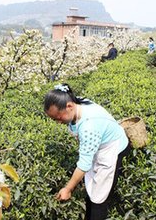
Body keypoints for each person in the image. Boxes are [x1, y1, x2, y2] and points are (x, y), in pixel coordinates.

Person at [44, 83, 130, 220]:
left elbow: (84, 164)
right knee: (92, 189)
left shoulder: (89, 126)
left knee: (99, 197)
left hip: (113, 148)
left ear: (69, 106)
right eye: (54, 119)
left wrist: (68, 189)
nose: (58, 122)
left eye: (58, 118)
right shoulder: (76, 103)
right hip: (101, 144)